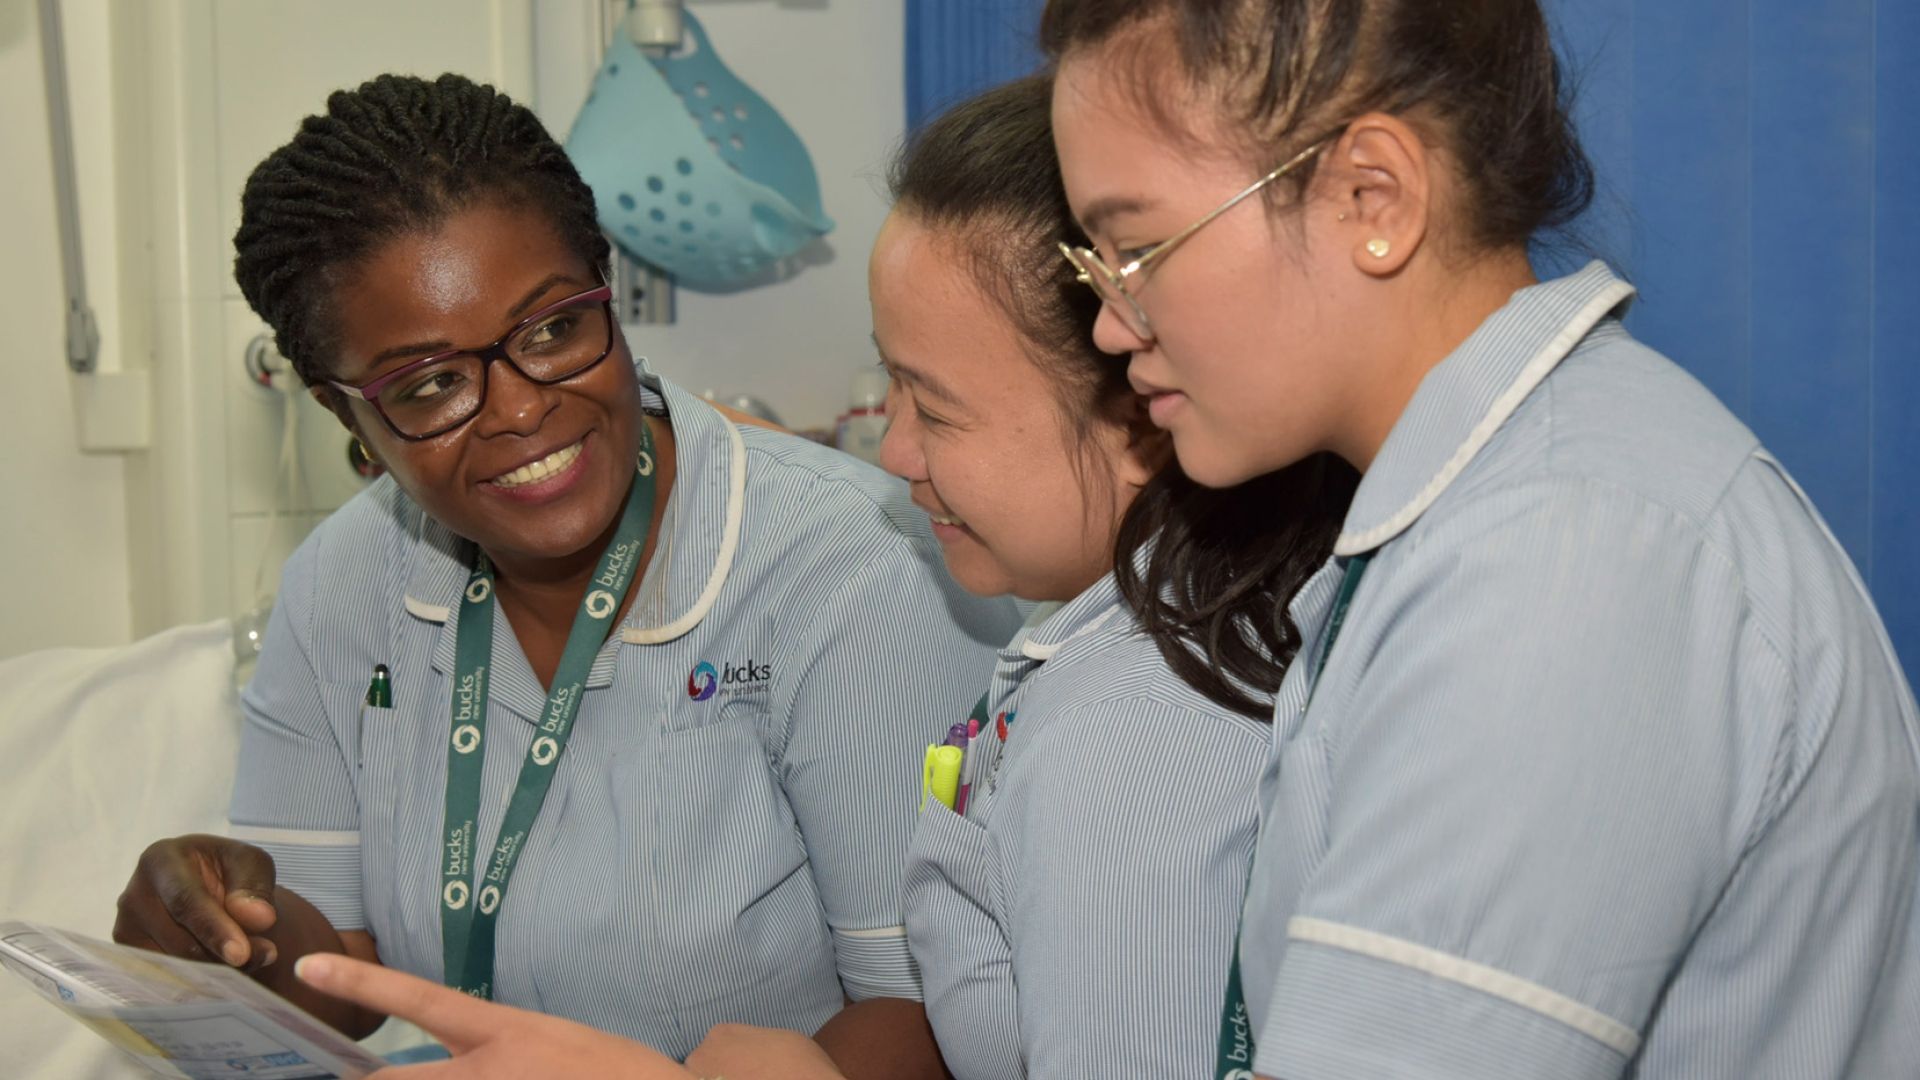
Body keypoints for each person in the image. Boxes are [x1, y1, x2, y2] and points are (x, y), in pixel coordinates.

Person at [282, 73, 1355, 1079]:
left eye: (933, 406)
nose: (889, 454)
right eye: (428, 387)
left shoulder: (1141, 731)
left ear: (1138, 399)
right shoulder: (1089, 665)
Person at [1038, 1, 1920, 1078]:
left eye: (1137, 250)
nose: (1111, 323)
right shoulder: (1473, 512)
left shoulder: (1568, 554)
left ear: (1375, 197)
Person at [108, 72, 1018, 1066]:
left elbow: (934, 1013)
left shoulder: (851, 565)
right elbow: (344, 973)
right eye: (430, 385)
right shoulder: (343, 585)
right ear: (347, 417)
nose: (517, 410)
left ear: (607, 289)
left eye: (553, 330)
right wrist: (231, 931)